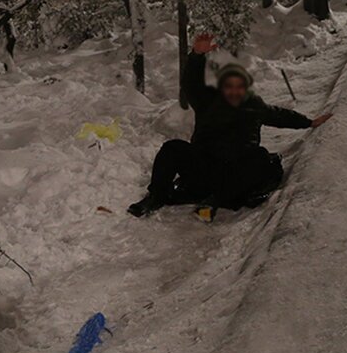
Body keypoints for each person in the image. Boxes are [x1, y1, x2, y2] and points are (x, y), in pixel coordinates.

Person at [128, 33, 333, 220]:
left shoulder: (255, 106)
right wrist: (197, 55)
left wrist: (309, 122)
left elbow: (280, 116)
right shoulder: (207, 101)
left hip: (235, 174)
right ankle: (156, 197)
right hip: (204, 167)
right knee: (171, 148)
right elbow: (191, 84)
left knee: (261, 158)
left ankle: (212, 203)